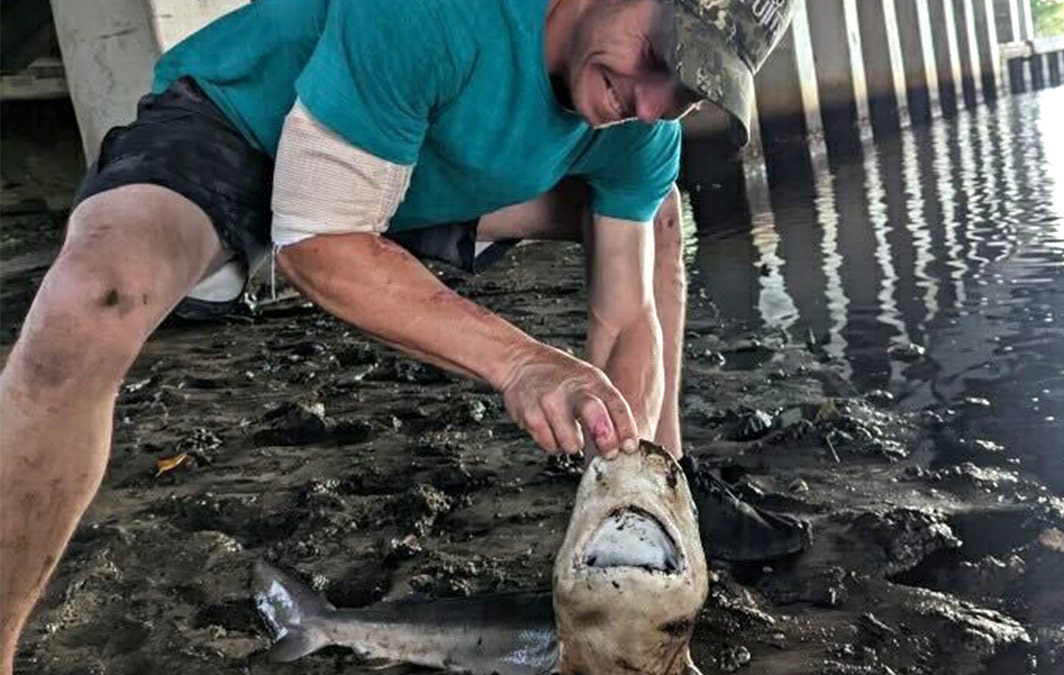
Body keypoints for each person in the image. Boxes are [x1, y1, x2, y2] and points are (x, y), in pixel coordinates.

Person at [0, 0, 807, 667]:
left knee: (649, 206)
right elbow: (318, 238)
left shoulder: (641, 118)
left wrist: (628, 490)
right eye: (663, 54)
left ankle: (662, 501)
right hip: (247, 129)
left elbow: (626, 315)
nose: (654, 101)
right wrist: (521, 361)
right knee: (89, 303)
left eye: (693, 90)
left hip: (413, 166)